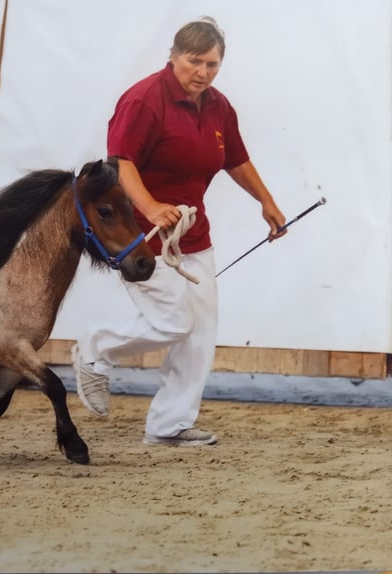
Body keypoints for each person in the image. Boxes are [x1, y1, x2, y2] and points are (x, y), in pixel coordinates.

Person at [72, 16, 287, 446]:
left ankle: (170, 426)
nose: (202, 73)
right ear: (172, 57)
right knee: (174, 322)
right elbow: (121, 162)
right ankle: (95, 348)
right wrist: (149, 207)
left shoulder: (219, 106)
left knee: (201, 329)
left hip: (193, 233)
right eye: (194, 62)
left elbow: (236, 159)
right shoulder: (144, 100)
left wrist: (266, 200)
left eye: (211, 65)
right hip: (141, 236)